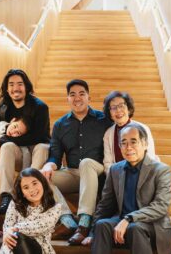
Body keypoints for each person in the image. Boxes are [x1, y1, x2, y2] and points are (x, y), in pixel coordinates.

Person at [83, 122, 171, 254]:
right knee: (102, 225)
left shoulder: (161, 170)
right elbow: (105, 205)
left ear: (145, 144)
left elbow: (160, 206)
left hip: (152, 225)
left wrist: (129, 218)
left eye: (133, 142)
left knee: (135, 228)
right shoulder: (115, 169)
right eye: (124, 143)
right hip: (123, 221)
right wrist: (92, 233)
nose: (128, 147)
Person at [40, 79, 111, 245]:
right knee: (39, 177)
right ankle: (67, 221)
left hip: (96, 171)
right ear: (67, 99)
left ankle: (84, 223)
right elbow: (55, 156)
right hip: (72, 172)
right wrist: (48, 165)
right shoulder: (60, 125)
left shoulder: (104, 120)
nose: (77, 98)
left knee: (86, 163)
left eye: (81, 94)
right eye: (72, 95)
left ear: (89, 97)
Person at [0, 69, 50, 215]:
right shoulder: (4, 106)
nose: (15, 88)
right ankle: (6, 197)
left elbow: (39, 136)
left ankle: (33, 195)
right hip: (17, 153)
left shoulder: (40, 107)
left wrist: (5, 138)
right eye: (11, 84)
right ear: (7, 89)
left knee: (43, 147)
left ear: (27, 87)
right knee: (7, 147)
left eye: (20, 84)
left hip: (36, 152)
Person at [0, 168, 61, 254]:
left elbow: (40, 225)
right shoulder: (15, 204)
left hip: (40, 249)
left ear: (42, 183)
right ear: (23, 193)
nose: (32, 190)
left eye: (34, 183)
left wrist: (15, 228)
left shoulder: (55, 207)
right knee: (13, 237)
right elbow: (7, 226)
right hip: (12, 249)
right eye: (26, 187)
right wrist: (7, 232)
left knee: (17, 236)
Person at [102, 91, 157, 173]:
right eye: (113, 107)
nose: (118, 110)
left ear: (129, 109)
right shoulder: (108, 134)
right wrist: (116, 178)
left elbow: (150, 156)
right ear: (110, 114)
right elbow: (107, 163)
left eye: (121, 106)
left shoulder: (143, 128)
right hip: (118, 176)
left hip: (141, 174)